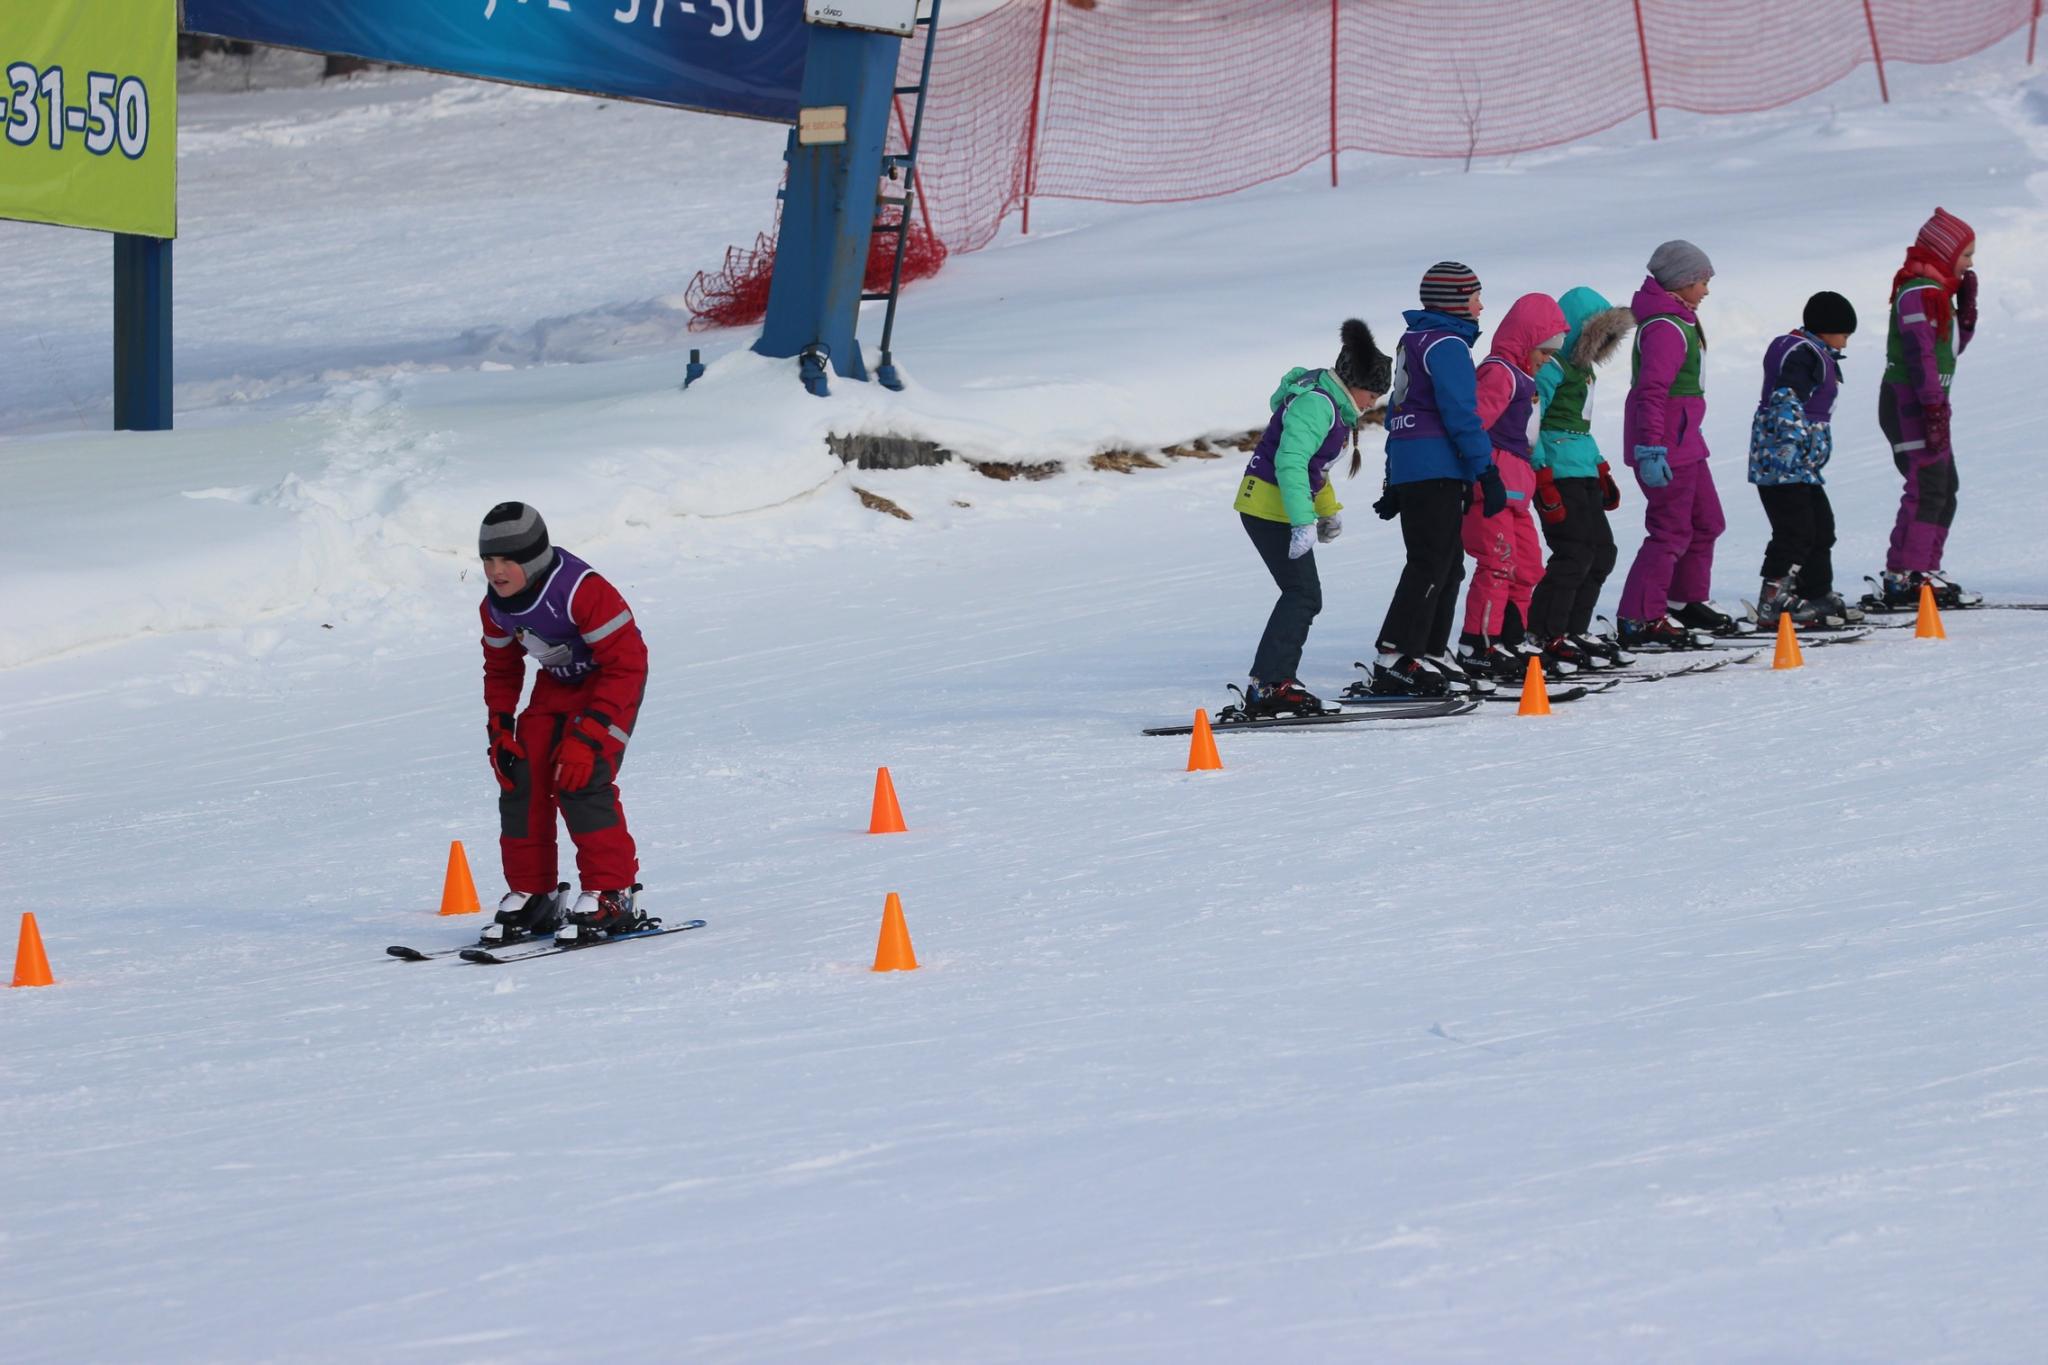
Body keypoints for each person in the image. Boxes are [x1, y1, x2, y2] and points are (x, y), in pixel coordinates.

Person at [477, 502, 650, 945]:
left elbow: (627, 663)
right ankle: (536, 894)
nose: (496, 571)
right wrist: (499, 728)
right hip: (557, 685)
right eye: (488, 560)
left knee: (581, 776)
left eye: (507, 560)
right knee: (522, 777)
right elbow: (501, 667)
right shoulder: (496, 606)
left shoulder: (580, 591)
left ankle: (613, 892)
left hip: (610, 686)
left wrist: (589, 736)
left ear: (532, 558)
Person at [1229, 320, 1390, 718]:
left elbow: (1317, 469)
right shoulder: (1317, 404)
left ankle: (1271, 682)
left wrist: (1326, 512)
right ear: (1354, 382)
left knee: (1303, 595)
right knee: (1303, 595)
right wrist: (1303, 521)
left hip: (1276, 507)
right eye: (1372, 393)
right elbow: (1291, 462)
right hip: (1269, 508)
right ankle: (1272, 685)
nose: (1373, 402)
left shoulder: (1331, 404)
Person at [1366, 262, 1508, 696]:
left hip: (1418, 465)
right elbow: (1461, 413)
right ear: (1454, 302)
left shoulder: (1414, 340)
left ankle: (1426, 650)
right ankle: (1394, 654)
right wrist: (1486, 467)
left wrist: (1393, 479)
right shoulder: (1446, 343)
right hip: (1436, 467)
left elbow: (1397, 413)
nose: (1481, 306)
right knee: (1431, 561)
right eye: (1474, 298)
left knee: (1448, 564)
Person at [1615, 239, 1741, 648]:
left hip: (1687, 442)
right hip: (1665, 446)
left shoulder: (1679, 318)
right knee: (1670, 531)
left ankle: (1683, 600)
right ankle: (1638, 616)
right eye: (1702, 280)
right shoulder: (1666, 327)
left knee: (1707, 522)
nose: (1706, 289)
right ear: (1682, 281)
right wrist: (1650, 447)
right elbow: (1653, 391)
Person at [1454, 291, 1571, 682]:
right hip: (1492, 490)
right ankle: (1477, 643)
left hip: (1518, 490)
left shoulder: (1522, 376)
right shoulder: (1499, 372)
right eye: (1544, 349)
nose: (1547, 358)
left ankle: (1511, 638)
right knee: (1497, 563)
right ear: (1526, 340)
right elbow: (1474, 428)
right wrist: (1480, 476)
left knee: (1528, 568)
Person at [1870, 207, 1982, 610]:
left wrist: (1965, 319)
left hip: (1928, 402)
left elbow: (1946, 352)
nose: (1970, 263)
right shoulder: (1919, 292)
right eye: (1966, 254)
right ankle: (1908, 574)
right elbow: (1921, 356)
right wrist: (1933, 408)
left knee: (1944, 487)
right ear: (1945, 251)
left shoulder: (1938, 295)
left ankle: (1921, 569)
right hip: (1910, 402)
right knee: (1928, 486)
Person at [1526, 286, 1637, 667]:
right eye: (1598, 335)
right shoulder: (1551, 368)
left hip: (1581, 466)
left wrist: (1600, 465)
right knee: (1574, 552)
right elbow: (1532, 422)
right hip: (1558, 470)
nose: (1603, 344)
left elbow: (1581, 429)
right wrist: (1541, 471)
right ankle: (1544, 632)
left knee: (1601, 552)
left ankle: (1574, 629)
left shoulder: (1584, 371)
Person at [1747, 292, 1860, 626]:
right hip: (1784, 463)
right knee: (1794, 531)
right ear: (1826, 328)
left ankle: (1815, 592)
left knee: (1821, 528)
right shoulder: (1804, 355)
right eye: (1844, 334)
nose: (1846, 342)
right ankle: (1773, 599)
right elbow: (1785, 398)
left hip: (1801, 465)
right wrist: (1792, 444)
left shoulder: (1814, 352)